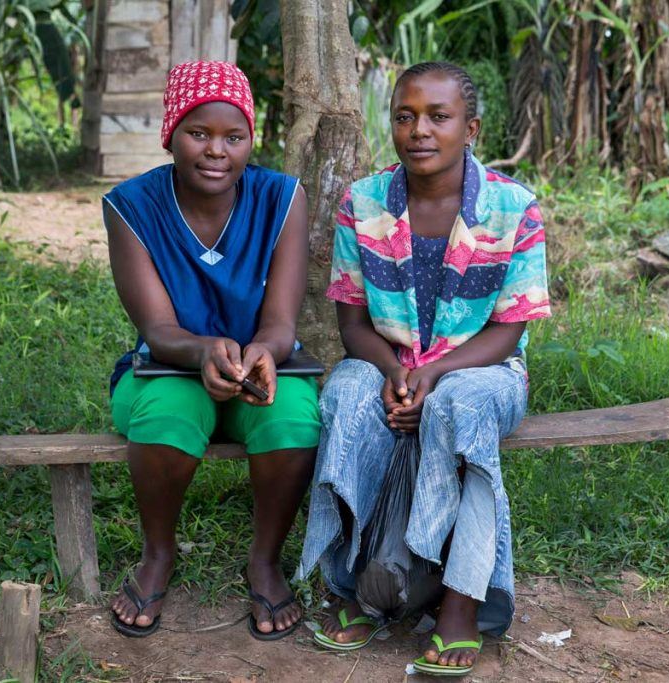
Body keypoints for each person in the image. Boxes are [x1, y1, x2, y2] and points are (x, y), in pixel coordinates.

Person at [298, 62, 551, 676]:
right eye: (405, 116)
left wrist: (432, 376)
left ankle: (463, 604)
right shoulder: (363, 205)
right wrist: (392, 371)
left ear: (471, 127)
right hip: (386, 362)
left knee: (455, 406)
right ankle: (355, 587)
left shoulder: (513, 209)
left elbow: (508, 330)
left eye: (439, 116)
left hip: (482, 370)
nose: (419, 130)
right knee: (348, 397)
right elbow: (353, 327)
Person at [103, 61, 320, 640]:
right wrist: (203, 352)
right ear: (170, 132)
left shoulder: (282, 197)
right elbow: (157, 329)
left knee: (294, 415)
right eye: (198, 134)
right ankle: (157, 554)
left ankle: (266, 561)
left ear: (252, 139)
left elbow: (279, 321)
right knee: (168, 415)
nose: (216, 151)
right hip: (169, 367)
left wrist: (263, 353)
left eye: (234, 137)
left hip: (261, 366)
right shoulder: (132, 205)